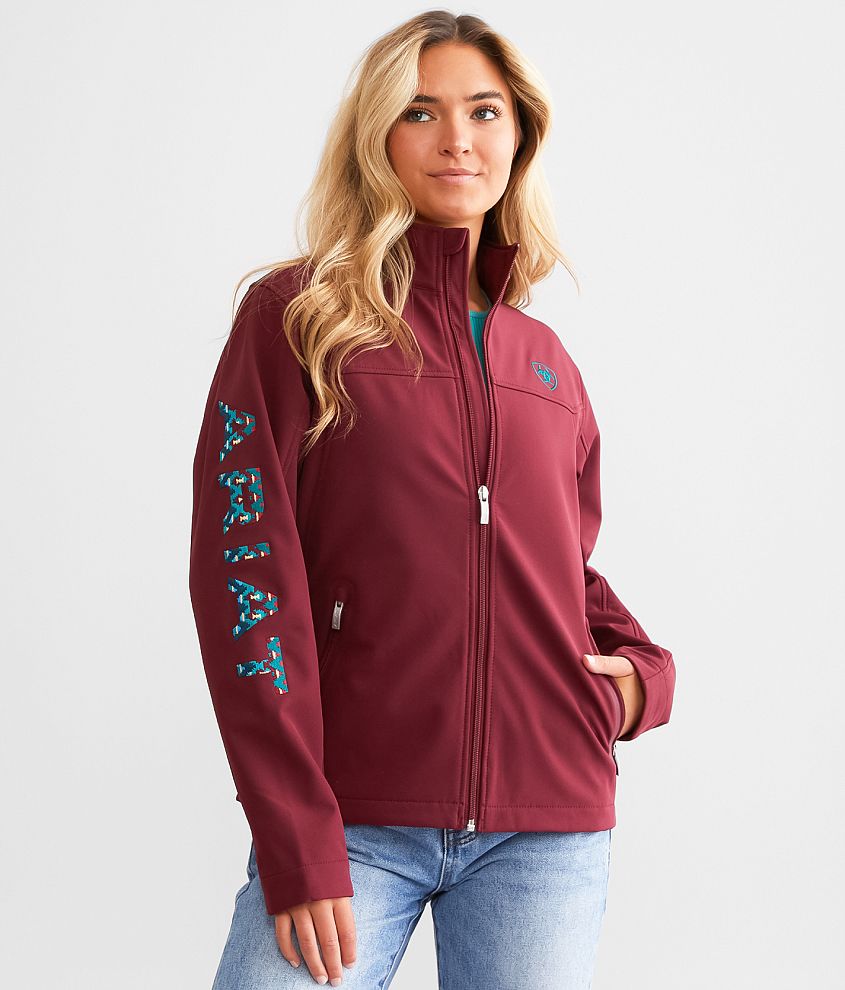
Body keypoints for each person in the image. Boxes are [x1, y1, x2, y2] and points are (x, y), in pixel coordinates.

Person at [188, 10, 676, 989]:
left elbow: (558, 570)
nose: (456, 137)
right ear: (376, 134)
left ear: (517, 136)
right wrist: (294, 833)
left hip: (543, 830)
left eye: (483, 112)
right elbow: (245, 575)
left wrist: (640, 680)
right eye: (420, 111)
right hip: (349, 819)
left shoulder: (543, 362)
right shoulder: (297, 317)